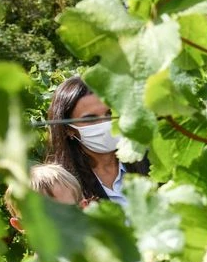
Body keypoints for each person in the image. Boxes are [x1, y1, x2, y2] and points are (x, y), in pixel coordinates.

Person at [44, 76, 144, 206]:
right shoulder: (63, 184)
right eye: (90, 119)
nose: (105, 124)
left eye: (109, 114)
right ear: (68, 129)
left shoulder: (148, 159)